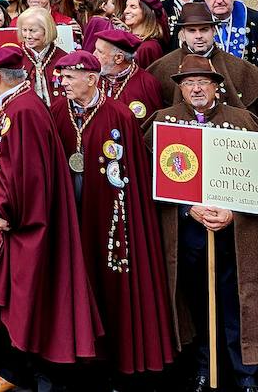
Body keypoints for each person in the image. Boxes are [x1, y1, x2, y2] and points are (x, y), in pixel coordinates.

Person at [148, 55, 258, 392]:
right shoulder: (165, 122)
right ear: (180, 88)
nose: (196, 88)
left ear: (217, 86)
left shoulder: (243, 121)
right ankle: (205, 367)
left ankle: (245, 372)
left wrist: (234, 213)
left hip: (234, 236)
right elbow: (151, 179)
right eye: (188, 83)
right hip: (187, 233)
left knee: (238, 301)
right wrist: (188, 208)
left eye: (203, 82)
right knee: (197, 303)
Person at [0, 46, 100, 391]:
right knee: (22, 299)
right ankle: (15, 372)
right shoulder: (16, 105)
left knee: (31, 298)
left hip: (30, 226)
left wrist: (3, 211)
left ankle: (37, 378)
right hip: (26, 222)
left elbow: (24, 175)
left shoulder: (22, 111)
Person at [50, 50, 174, 378]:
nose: (63, 83)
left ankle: (108, 357)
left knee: (105, 277)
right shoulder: (58, 110)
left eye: (69, 77)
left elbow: (132, 178)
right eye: (61, 77)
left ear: (91, 79)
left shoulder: (119, 115)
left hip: (107, 217)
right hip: (69, 212)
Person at [149, 2, 258, 116]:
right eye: (192, 31)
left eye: (204, 29)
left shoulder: (240, 68)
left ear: (214, 31)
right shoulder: (163, 68)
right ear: (182, 34)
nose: (199, 36)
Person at [88, 21, 162, 126]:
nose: (93, 54)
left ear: (118, 58)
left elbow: (151, 128)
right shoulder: (92, 78)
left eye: (99, 51)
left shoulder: (147, 84)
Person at [13, 6, 67, 105]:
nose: (28, 36)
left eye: (33, 31)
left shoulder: (63, 58)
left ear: (46, 30)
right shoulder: (16, 59)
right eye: (24, 30)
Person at [121, 0, 169, 67]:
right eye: (126, 6)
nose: (126, 11)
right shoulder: (131, 42)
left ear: (146, 12)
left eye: (133, 7)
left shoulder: (148, 48)